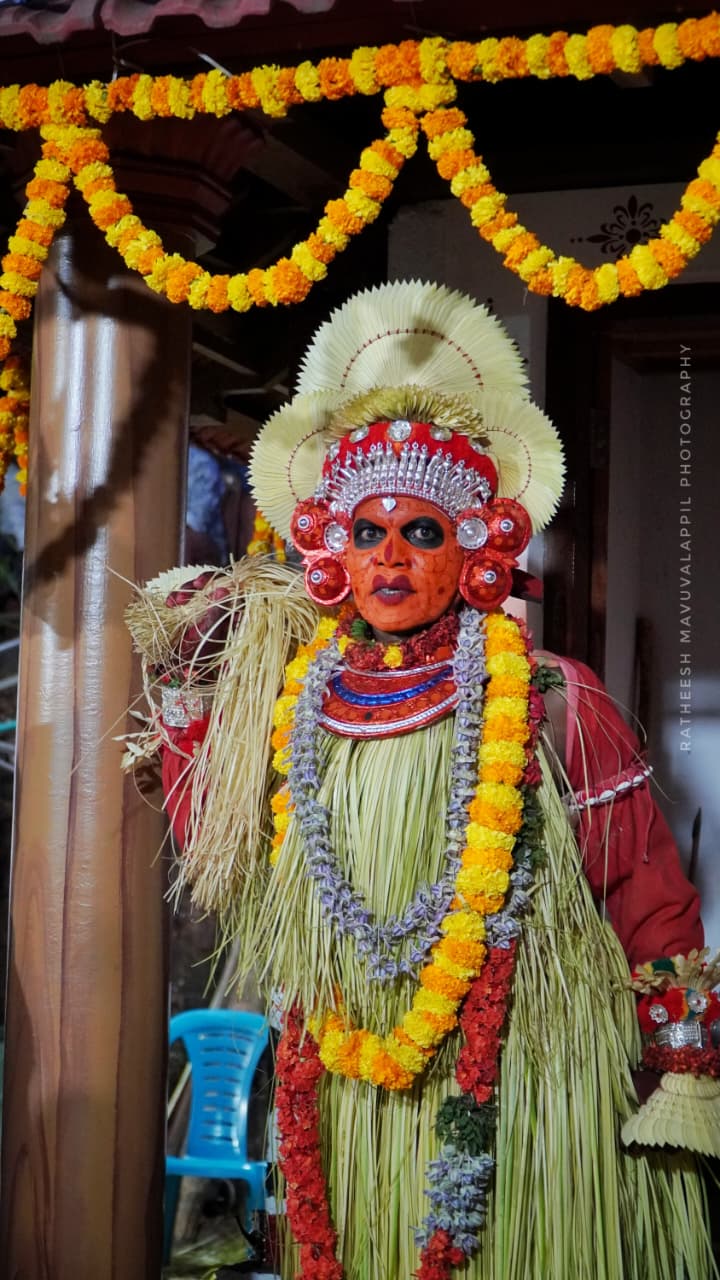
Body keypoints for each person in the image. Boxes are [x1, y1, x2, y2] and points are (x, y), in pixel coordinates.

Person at [127, 281, 719, 1280]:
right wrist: (188, 697)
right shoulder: (295, 704)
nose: (392, 557)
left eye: (423, 533)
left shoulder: (553, 699)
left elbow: (645, 889)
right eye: (368, 533)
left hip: (530, 1077)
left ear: (478, 550)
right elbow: (231, 862)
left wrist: (682, 1058)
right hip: (347, 1082)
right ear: (333, 553)